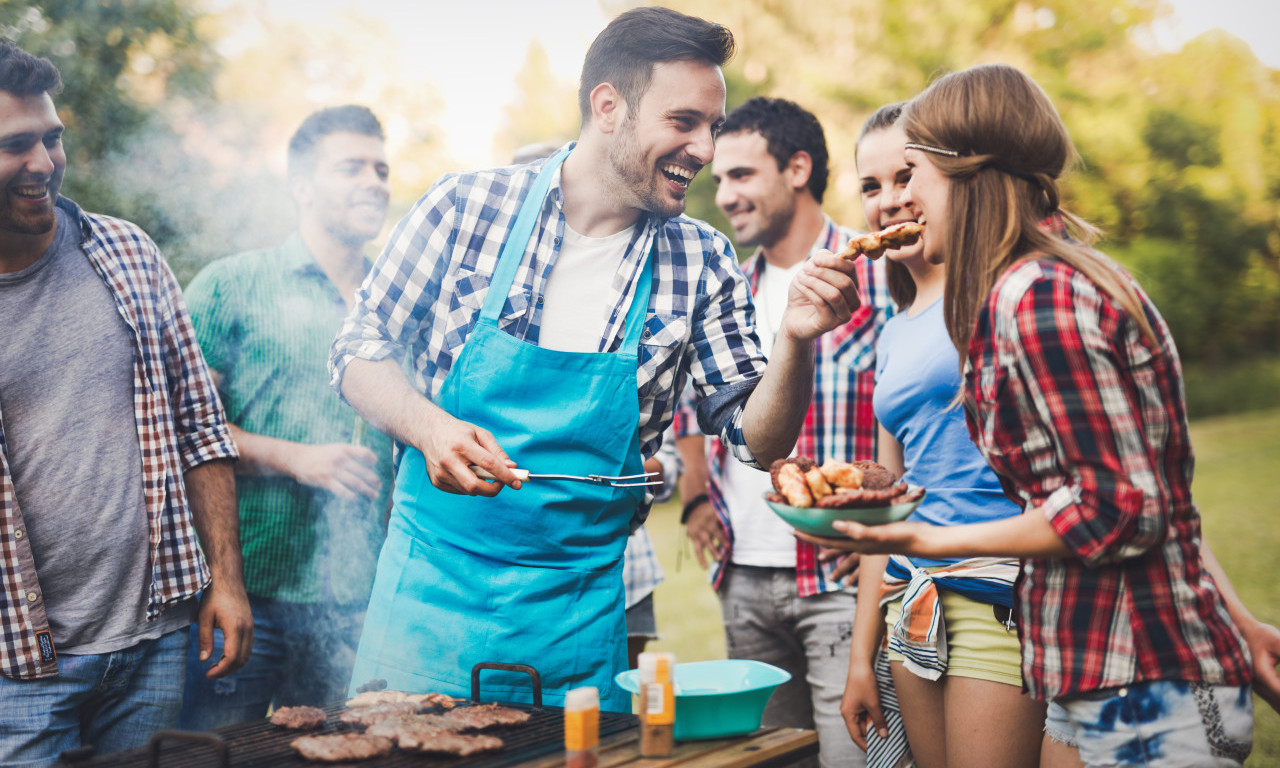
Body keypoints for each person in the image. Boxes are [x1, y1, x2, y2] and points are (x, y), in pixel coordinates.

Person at [328, 6, 864, 713]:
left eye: (712, 125)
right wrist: (430, 428)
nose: (705, 148)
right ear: (608, 107)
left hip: (576, 621)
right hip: (427, 605)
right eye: (684, 122)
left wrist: (795, 340)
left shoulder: (701, 260)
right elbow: (356, 349)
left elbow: (758, 441)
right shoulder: (465, 209)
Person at [810, 63, 1272, 767]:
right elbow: (1143, 491)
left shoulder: (1036, 296)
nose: (904, 198)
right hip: (1096, 668)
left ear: (962, 172)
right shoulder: (1043, 284)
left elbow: (1122, 507)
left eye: (915, 171)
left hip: (1142, 683)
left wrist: (929, 543)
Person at [0, 40, 250, 766]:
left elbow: (200, 429)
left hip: (153, 644)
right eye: (16, 145)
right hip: (15, 669)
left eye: (52, 138)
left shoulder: (128, 254)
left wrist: (226, 583)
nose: (44, 163)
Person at [675, 96, 893, 768]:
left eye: (742, 175)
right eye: (721, 182)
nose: (727, 195)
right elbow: (691, 402)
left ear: (798, 168)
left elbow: (921, 414)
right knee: (770, 760)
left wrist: (884, 542)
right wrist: (693, 497)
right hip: (743, 578)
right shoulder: (726, 288)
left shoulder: (879, 275)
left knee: (854, 758)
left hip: (838, 579)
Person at [835, 102, 1044, 768]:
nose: (891, 200)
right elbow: (888, 503)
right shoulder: (891, 332)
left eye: (905, 177)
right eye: (871, 187)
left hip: (996, 596)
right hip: (913, 610)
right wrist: (863, 653)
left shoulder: (1001, 295)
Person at [178, 106, 396, 727]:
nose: (374, 181)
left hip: (361, 602)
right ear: (301, 186)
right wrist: (296, 458)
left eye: (381, 168)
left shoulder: (399, 297)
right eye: (350, 166)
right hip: (247, 596)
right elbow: (180, 428)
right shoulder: (231, 285)